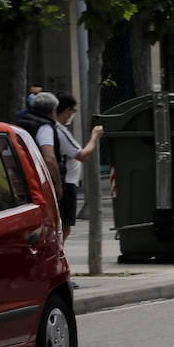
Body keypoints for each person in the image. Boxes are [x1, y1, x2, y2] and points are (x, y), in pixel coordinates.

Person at [52, 95, 102, 240]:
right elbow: (83, 155)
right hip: (67, 184)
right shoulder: (59, 130)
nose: (72, 115)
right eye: (73, 111)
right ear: (67, 110)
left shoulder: (55, 129)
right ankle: (57, 259)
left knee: (63, 228)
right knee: (64, 229)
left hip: (66, 184)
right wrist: (95, 137)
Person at [13, 92, 64, 203]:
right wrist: (58, 184)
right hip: (41, 182)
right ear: (52, 111)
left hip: (22, 179)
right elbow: (49, 159)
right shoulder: (44, 127)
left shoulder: (19, 123)